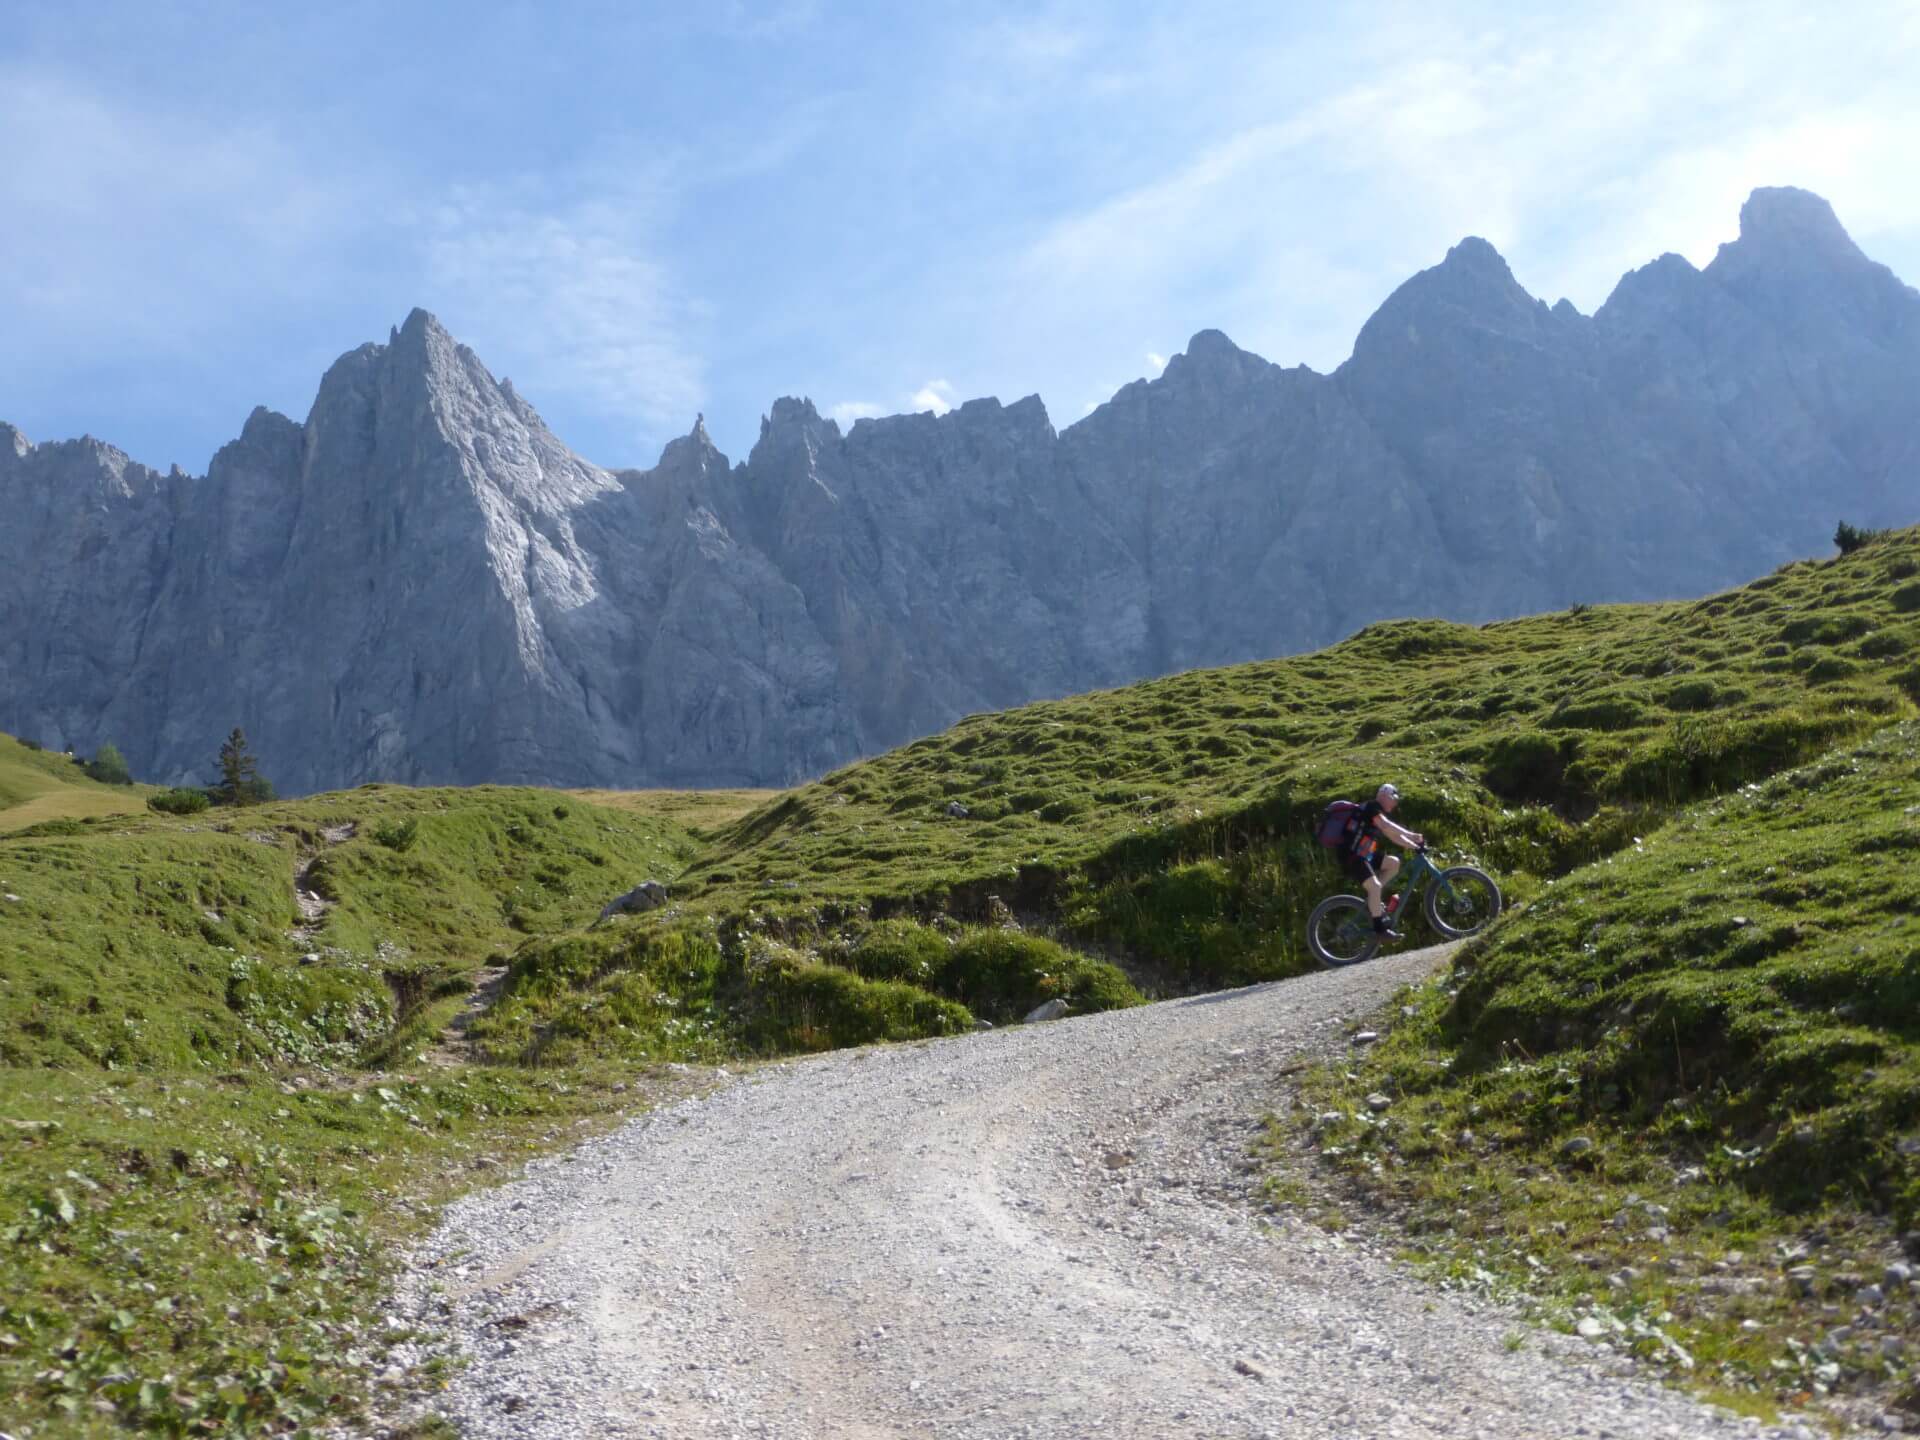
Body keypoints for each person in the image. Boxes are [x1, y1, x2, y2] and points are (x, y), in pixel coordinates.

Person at [1346, 783, 1424, 936]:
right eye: (1393, 799)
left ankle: (1372, 901)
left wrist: (1414, 845)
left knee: (1393, 863)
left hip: (1364, 853)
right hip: (1352, 855)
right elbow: (1386, 826)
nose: (1395, 804)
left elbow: (1393, 835)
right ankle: (1380, 929)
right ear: (1384, 796)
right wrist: (1413, 835)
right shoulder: (1372, 806)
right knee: (1374, 886)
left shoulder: (1377, 813)